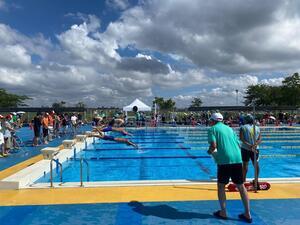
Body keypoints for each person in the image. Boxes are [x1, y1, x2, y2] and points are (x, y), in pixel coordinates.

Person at [207, 112, 252, 223]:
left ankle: (223, 212)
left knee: (221, 186)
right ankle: (247, 214)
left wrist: (209, 151)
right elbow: (238, 144)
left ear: (212, 121)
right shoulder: (230, 129)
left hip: (224, 160)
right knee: (241, 186)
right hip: (237, 158)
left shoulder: (212, 129)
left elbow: (213, 146)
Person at [239, 114, 262, 186]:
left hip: (245, 148)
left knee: (245, 164)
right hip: (255, 149)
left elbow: (241, 139)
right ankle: (256, 179)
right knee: (256, 164)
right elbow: (260, 139)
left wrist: (250, 145)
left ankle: (243, 179)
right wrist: (254, 145)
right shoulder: (257, 128)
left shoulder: (243, 127)